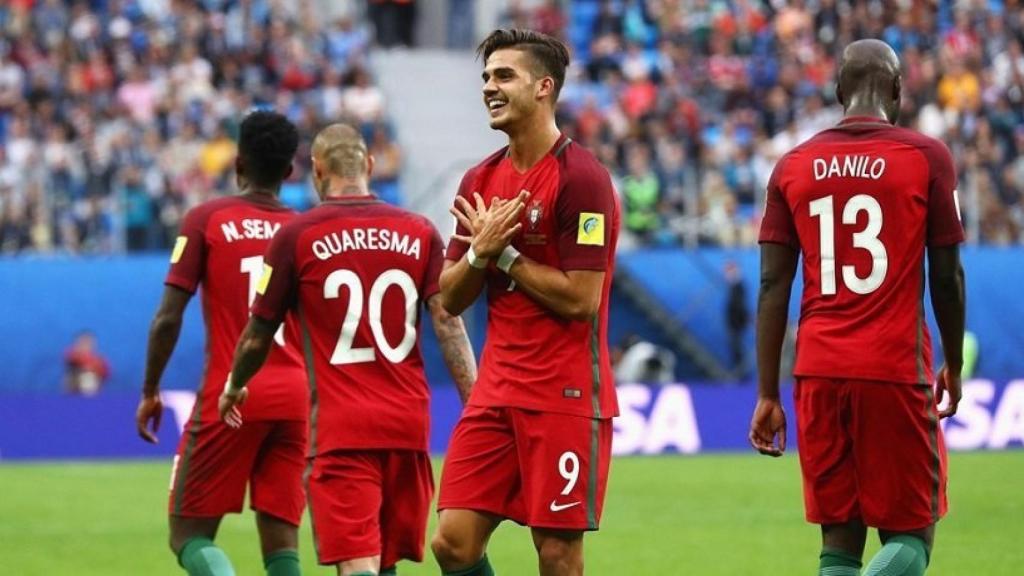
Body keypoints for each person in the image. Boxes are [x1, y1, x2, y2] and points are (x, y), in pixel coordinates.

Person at [218, 123, 477, 576]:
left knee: (359, 565)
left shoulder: (297, 237)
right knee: (387, 563)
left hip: (343, 428)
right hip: (408, 425)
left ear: (317, 169)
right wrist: (476, 404)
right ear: (370, 166)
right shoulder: (418, 231)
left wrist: (235, 384)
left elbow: (258, 334)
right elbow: (448, 323)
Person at [750, 39, 966, 576]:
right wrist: (955, 365)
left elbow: (773, 284)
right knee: (913, 537)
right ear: (898, 89)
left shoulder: (793, 165)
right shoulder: (925, 157)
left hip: (818, 371)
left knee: (839, 543)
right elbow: (947, 274)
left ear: (838, 91)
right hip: (893, 369)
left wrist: (766, 392)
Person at [431, 29, 620, 576]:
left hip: (563, 394)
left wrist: (503, 256)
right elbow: (451, 294)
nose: (490, 86)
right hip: (497, 391)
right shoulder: (480, 178)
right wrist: (479, 257)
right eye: (487, 77)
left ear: (544, 87)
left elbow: (583, 300)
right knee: (452, 544)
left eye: (504, 76)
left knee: (557, 554)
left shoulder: (582, 179)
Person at [135, 111, 308, 576]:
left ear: (238, 163)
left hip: (231, 391)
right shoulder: (303, 231)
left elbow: (168, 317)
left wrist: (151, 389)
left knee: (187, 535)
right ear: (289, 171)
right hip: (296, 398)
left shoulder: (207, 219)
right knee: (281, 536)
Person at [64, 330, 110, 396]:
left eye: (88, 342)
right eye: (82, 341)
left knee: (88, 379)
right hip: (73, 380)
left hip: (91, 384)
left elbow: (106, 373)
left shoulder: (99, 359)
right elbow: (71, 360)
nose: (85, 344)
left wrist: (96, 369)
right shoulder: (71, 353)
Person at [723, 260, 749, 376]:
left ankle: (741, 374)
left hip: (737, 323)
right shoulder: (733, 287)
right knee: (735, 349)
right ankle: (739, 373)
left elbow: (740, 306)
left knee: (737, 349)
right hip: (734, 323)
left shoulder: (738, 286)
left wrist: (744, 319)